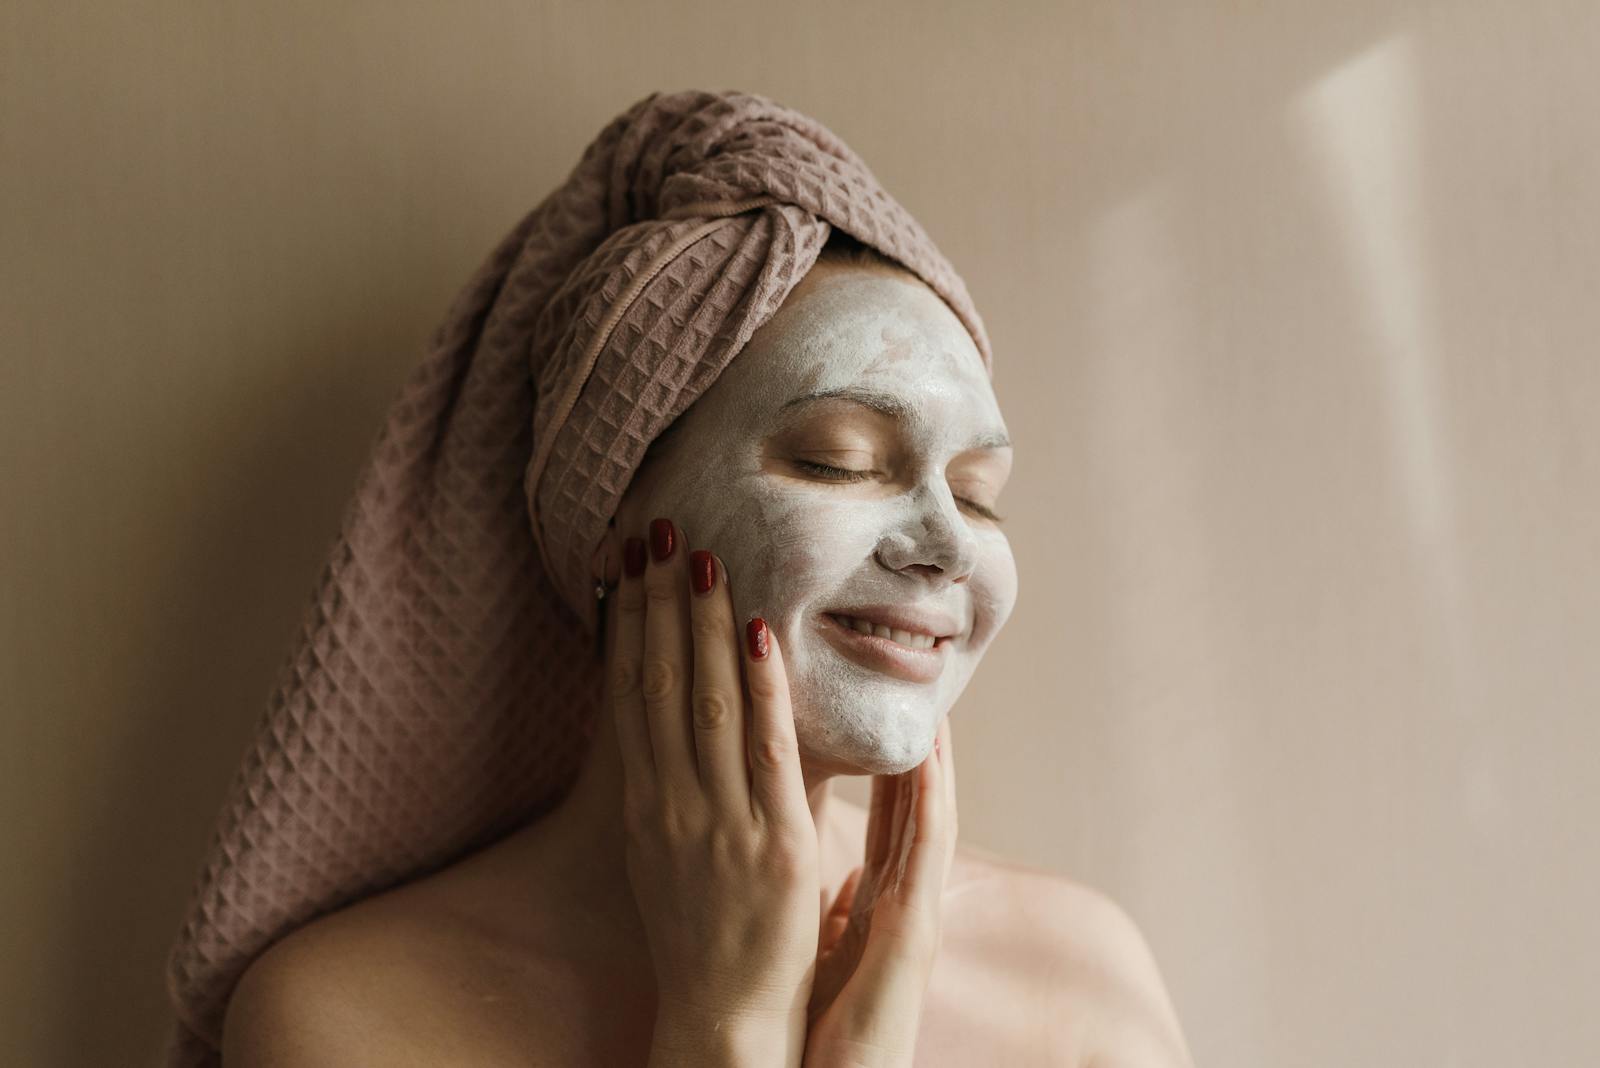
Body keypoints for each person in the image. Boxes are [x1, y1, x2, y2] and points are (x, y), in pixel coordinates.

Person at [166, 90, 1194, 1066]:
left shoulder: (1077, 979)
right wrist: (724, 1026)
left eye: (976, 492)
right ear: (616, 525)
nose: (945, 543)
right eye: (836, 460)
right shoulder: (351, 1016)